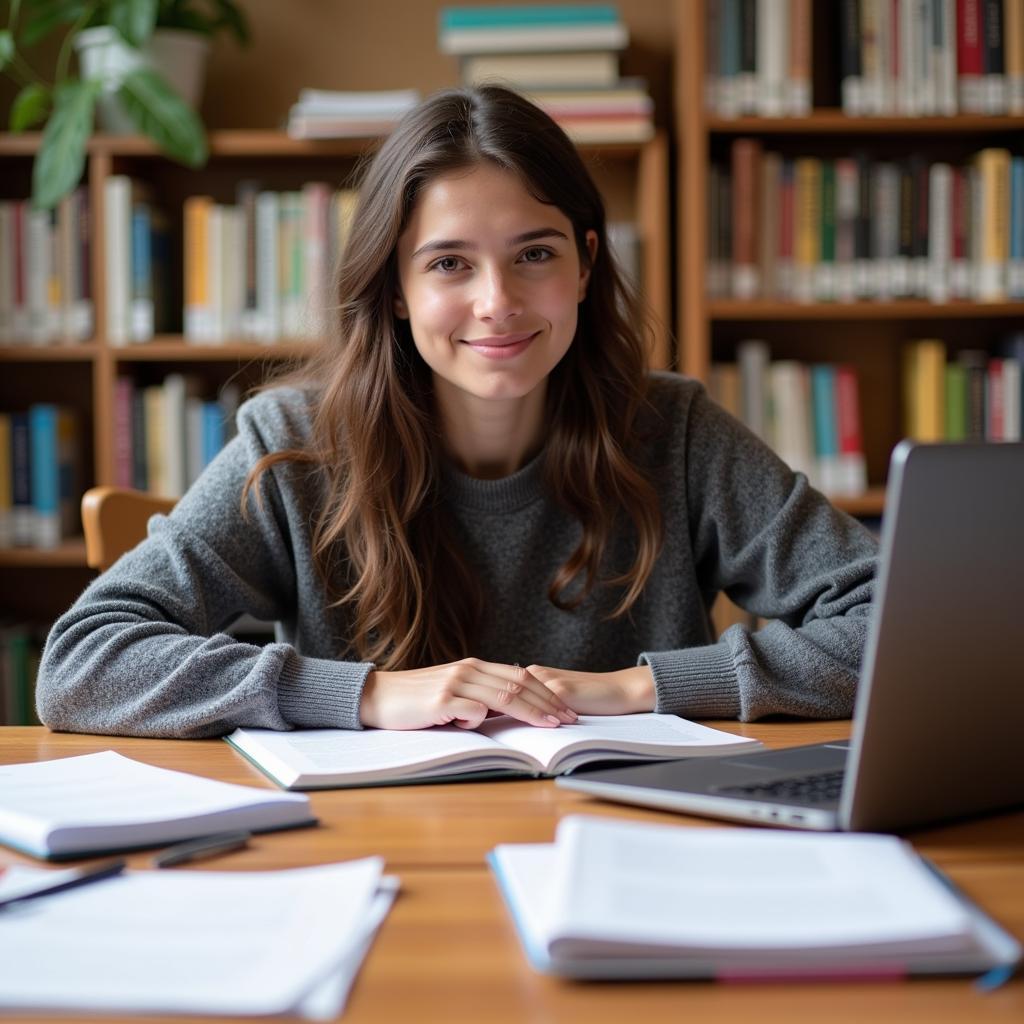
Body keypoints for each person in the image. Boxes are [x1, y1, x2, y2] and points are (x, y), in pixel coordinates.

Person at [37, 86, 877, 739]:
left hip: (631, 838)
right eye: (448, 264)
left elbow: (897, 626)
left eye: (534, 255)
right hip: (378, 854)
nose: (497, 303)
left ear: (585, 264)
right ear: (395, 290)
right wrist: (367, 695)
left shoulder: (676, 432)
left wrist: (643, 687)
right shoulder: (295, 445)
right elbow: (82, 664)